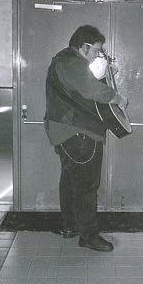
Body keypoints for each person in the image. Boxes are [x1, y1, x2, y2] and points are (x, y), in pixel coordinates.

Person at [44, 25, 127, 252]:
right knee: (86, 185)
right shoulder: (71, 63)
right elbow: (91, 89)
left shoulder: (64, 61)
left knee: (71, 180)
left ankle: (70, 225)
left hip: (68, 132)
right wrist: (116, 97)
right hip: (78, 134)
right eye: (97, 50)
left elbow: (82, 86)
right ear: (85, 46)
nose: (99, 54)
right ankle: (89, 237)